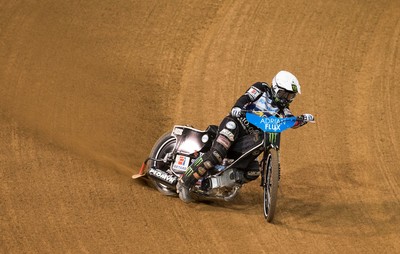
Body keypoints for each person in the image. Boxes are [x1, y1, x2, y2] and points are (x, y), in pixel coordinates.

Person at [176, 70, 314, 202]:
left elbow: (291, 122)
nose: (286, 99)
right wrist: (237, 107)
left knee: (253, 170)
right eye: (284, 94)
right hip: (236, 124)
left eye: (290, 96)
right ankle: (184, 182)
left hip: (249, 137)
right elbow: (246, 97)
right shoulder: (262, 88)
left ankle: (221, 186)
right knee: (217, 153)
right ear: (276, 87)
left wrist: (302, 119)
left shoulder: (283, 110)